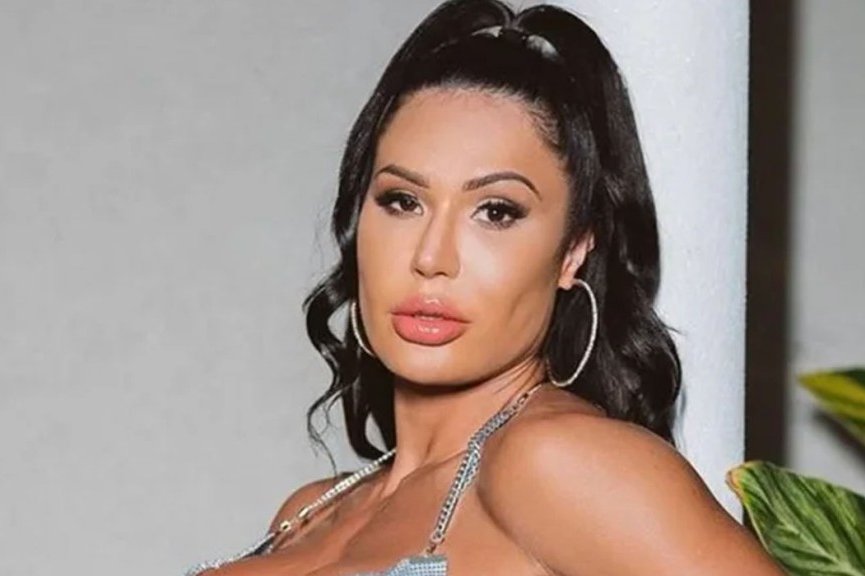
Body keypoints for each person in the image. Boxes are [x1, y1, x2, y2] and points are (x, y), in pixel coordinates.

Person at [187, 0, 784, 574]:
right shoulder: (309, 513)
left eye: (496, 212)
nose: (431, 258)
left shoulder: (558, 462)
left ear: (572, 252)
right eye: (402, 201)